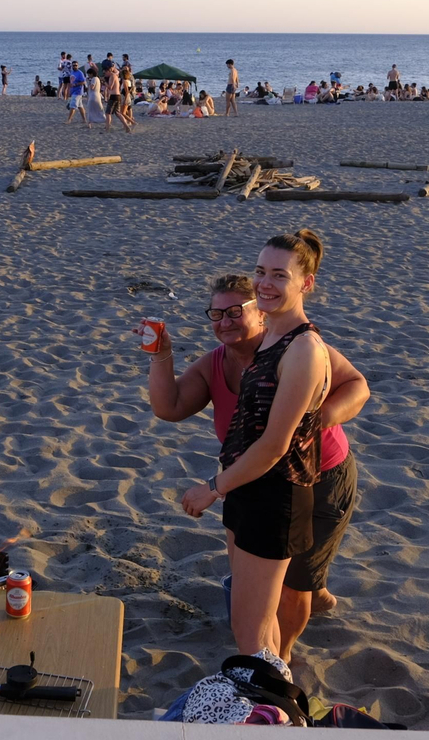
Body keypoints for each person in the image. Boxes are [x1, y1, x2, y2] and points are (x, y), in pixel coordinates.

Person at [144, 274, 367, 662]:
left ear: (260, 313)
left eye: (235, 311)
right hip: (251, 479)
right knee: (262, 587)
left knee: (292, 588)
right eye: (216, 314)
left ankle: (287, 654)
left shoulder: (296, 348)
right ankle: (302, 608)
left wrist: (315, 420)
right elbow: (170, 407)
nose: (224, 321)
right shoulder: (215, 364)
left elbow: (357, 385)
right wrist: (162, 354)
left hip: (320, 475)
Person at [178, 232, 332, 659]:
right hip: (249, 490)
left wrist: (213, 487)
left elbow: (275, 446)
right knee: (256, 630)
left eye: (280, 275)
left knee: (251, 631)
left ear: (307, 283)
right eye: (261, 271)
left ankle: (273, 717)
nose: (265, 282)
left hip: (274, 495)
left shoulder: (303, 348)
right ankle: (274, 710)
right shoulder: (269, 336)